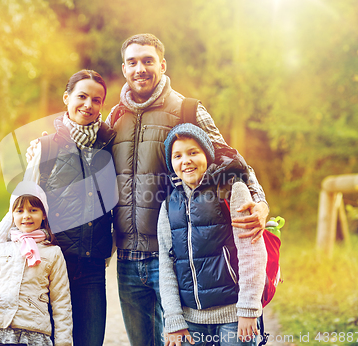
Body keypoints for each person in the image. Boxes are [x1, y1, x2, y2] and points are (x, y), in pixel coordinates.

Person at [105, 33, 269, 346]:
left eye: (148, 60)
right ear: (124, 68)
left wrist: (259, 202)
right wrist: (41, 150)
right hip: (127, 258)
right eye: (133, 62)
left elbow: (234, 162)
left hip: (174, 257)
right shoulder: (115, 118)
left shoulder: (188, 110)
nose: (140, 68)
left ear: (162, 65)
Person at [19, 69, 117, 346]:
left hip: (93, 268)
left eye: (96, 100)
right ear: (66, 98)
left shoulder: (111, 146)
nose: (88, 105)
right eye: (82, 96)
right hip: (52, 266)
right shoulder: (45, 148)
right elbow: (23, 207)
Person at [158, 123, 267, 346]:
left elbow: (252, 253)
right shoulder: (168, 204)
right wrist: (173, 318)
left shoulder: (232, 190)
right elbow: (166, 264)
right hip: (190, 322)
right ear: (172, 163)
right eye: (177, 156)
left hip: (234, 317)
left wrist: (248, 308)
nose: (185, 160)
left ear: (207, 155)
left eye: (193, 152)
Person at [0, 181, 72, 346]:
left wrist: (64, 343)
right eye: (19, 211)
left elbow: (61, 302)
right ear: (12, 215)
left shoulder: (53, 253)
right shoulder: (1, 250)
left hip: (34, 334)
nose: (26, 215)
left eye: (33, 210)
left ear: (44, 214)